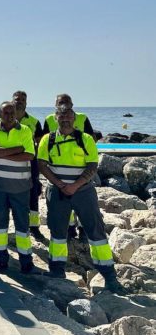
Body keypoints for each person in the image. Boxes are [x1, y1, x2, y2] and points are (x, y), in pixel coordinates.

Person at [37, 105, 124, 292]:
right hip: (57, 191)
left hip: (83, 191)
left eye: (69, 116)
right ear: (56, 118)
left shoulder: (85, 139)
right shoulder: (48, 139)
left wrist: (75, 185)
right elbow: (42, 165)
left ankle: (109, 276)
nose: (65, 119)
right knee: (57, 232)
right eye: (61, 116)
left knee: (96, 231)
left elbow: (92, 165)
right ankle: (57, 269)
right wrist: (61, 185)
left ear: (75, 119)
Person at [0, 102, 37, 273]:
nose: (9, 115)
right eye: (6, 112)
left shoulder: (25, 130)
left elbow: (29, 155)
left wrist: (3, 151)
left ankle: (26, 261)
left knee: (22, 225)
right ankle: (0, 259)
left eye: (12, 112)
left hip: (20, 187)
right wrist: (16, 149)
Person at [42, 93, 95, 240]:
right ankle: (70, 228)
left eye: (67, 102)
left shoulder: (82, 117)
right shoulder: (49, 119)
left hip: (81, 172)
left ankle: (83, 230)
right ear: (56, 107)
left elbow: (92, 138)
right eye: (60, 102)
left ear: (72, 104)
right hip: (58, 178)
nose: (64, 105)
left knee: (84, 209)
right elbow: (44, 145)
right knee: (62, 212)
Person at [12, 90, 44, 238]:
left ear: (26, 102)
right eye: (17, 99)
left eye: (22, 99)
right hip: (10, 164)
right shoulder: (4, 121)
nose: (19, 102)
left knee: (33, 194)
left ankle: (34, 226)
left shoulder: (34, 122)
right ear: (12, 101)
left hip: (30, 163)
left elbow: (40, 144)